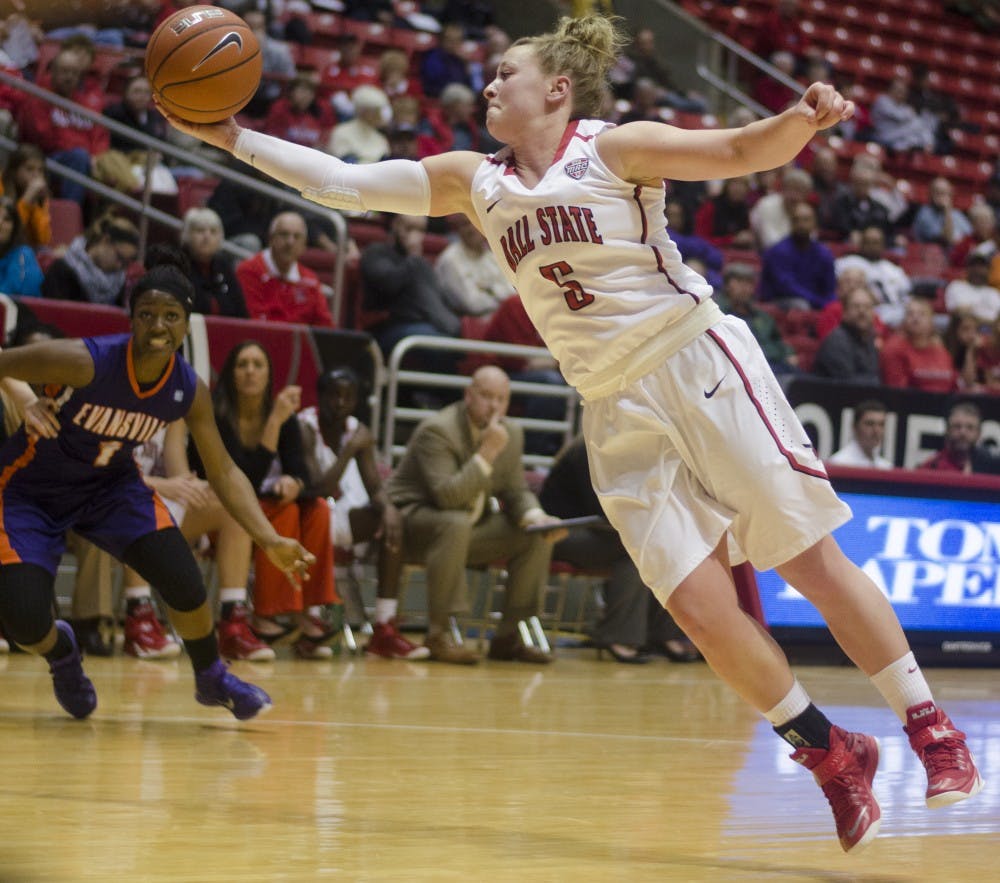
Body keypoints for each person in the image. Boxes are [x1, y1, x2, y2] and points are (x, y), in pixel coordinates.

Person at [163, 14, 983, 850]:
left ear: (556, 88)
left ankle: (930, 727)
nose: (489, 84)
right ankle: (831, 750)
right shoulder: (473, 181)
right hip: (612, 406)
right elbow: (342, 182)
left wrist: (800, 121)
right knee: (700, 611)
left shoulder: (614, 149)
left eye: (505, 72)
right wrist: (232, 136)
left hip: (693, 361)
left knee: (807, 559)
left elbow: (738, 151)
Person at [0, 250, 314, 721]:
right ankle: (62, 654)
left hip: (111, 488)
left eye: (171, 316)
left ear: (187, 325)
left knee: (185, 583)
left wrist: (267, 538)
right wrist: (25, 399)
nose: (159, 326)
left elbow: (224, 470)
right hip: (30, 491)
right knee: (24, 620)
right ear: (132, 320)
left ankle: (211, 678)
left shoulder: (188, 389)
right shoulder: (84, 361)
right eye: (147, 315)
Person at [385, 365, 561, 664]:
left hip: (467, 529)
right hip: (414, 528)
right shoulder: (438, 430)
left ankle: (508, 636)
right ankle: (439, 635)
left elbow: (515, 489)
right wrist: (487, 452)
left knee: (534, 536)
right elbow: (448, 497)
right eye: (486, 396)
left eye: (502, 399)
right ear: (468, 395)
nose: (494, 406)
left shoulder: (511, 433)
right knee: (455, 522)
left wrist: (535, 516)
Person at [208, 340, 339, 660]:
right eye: (242, 364)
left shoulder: (285, 417)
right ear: (230, 374)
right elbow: (243, 481)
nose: (250, 372)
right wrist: (273, 425)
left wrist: (294, 482)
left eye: (258, 364)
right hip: (221, 512)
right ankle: (266, 614)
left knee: (318, 510)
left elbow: (304, 474)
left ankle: (306, 610)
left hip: (267, 506)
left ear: (269, 375)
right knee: (281, 512)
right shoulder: (217, 415)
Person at [298, 366, 428, 660]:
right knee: (322, 513)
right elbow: (320, 488)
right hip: (307, 518)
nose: (341, 403)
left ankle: (383, 627)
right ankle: (311, 624)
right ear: (320, 397)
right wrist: (348, 450)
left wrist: (390, 509)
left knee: (395, 524)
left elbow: (375, 487)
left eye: (348, 397)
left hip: (345, 518)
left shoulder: (358, 431)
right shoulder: (304, 427)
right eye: (334, 396)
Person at [540, 434, 700, 663]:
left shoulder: (625, 451)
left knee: (662, 548)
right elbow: (604, 511)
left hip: (598, 533)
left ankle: (662, 634)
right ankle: (620, 636)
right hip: (561, 534)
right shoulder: (588, 450)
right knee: (635, 552)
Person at [235, 211, 335, 327]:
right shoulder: (248, 271)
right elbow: (254, 323)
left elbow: (325, 326)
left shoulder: (310, 279)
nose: (290, 242)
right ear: (271, 239)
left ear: (304, 245)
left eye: (297, 237)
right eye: (284, 234)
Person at [713, 262, 797, 375]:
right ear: (727, 285)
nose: (744, 288)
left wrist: (788, 353)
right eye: (739, 282)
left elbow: (778, 341)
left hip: (772, 363)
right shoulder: (717, 313)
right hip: (740, 368)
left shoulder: (762, 317)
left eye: (748, 283)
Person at [40, 212, 139, 306]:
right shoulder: (61, 270)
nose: (119, 266)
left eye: (125, 264)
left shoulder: (120, 282)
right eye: (119, 257)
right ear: (106, 241)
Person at [758, 202, 836, 310]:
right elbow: (786, 287)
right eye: (796, 220)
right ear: (791, 223)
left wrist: (830, 304)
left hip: (815, 301)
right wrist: (819, 302)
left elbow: (830, 288)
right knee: (801, 305)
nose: (801, 225)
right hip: (780, 301)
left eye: (806, 220)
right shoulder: (778, 251)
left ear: (815, 223)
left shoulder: (823, 253)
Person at [435, 212, 513, 318]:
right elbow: (473, 304)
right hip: (476, 323)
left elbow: (513, 291)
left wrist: (491, 290)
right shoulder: (450, 260)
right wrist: (501, 296)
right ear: (457, 229)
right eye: (466, 224)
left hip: (505, 314)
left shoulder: (492, 255)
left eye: (476, 223)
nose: (472, 229)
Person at [834, 225, 912, 328]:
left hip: (897, 311)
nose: (872, 246)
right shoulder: (846, 263)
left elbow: (906, 294)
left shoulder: (893, 269)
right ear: (861, 243)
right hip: (866, 311)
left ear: (883, 245)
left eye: (876, 242)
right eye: (868, 242)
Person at [178, 207, 248, 318]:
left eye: (213, 231)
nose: (207, 237)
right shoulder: (177, 265)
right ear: (187, 235)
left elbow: (242, 314)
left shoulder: (224, 267)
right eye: (200, 230)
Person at [881, 296, 958, 393]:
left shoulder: (941, 351)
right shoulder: (894, 348)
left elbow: (954, 387)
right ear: (903, 321)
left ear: (932, 321)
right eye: (910, 314)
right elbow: (897, 392)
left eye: (922, 314)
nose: (915, 318)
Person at [811, 286, 881, 384]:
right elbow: (847, 385)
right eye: (856, 306)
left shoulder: (869, 339)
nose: (862, 311)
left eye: (867, 307)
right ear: (845, 312)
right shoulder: (836, 341)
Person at [918, 401, 1000, 474]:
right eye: (957, 426)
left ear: (979, 434)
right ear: (947, 431)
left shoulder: (992, 468)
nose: (963, 432)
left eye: (970, 427)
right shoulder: (932, 468)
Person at [0, 143, 51, 249]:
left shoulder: (39, 197)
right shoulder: (1, 186)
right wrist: (26, 199)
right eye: (29, 169)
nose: (36, 175)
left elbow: (43, 240)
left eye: (40, 170)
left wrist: (36, 205)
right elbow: (8, 233)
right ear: (14, 171)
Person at [827, 399, 894, 469]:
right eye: (870, 424)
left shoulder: (885, 466)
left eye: (881, 424)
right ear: (855, 427)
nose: (876, 430)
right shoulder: (838, 463)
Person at [943, 252, 1000, 327]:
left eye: (981, 266)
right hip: (961, 329)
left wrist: (971, 311)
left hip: (991, 331)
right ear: (967, 268)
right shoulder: (956, 286)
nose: (977, 270)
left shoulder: (993, 293)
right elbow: (956, 312)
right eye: (974, 266)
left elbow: (998, 318)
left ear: (988, 270)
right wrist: (987, 320)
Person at [0, 194, 42, 296]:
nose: (0, 222)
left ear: (14, 227)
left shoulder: (23, 255)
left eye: (7, 219)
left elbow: (10, 295)